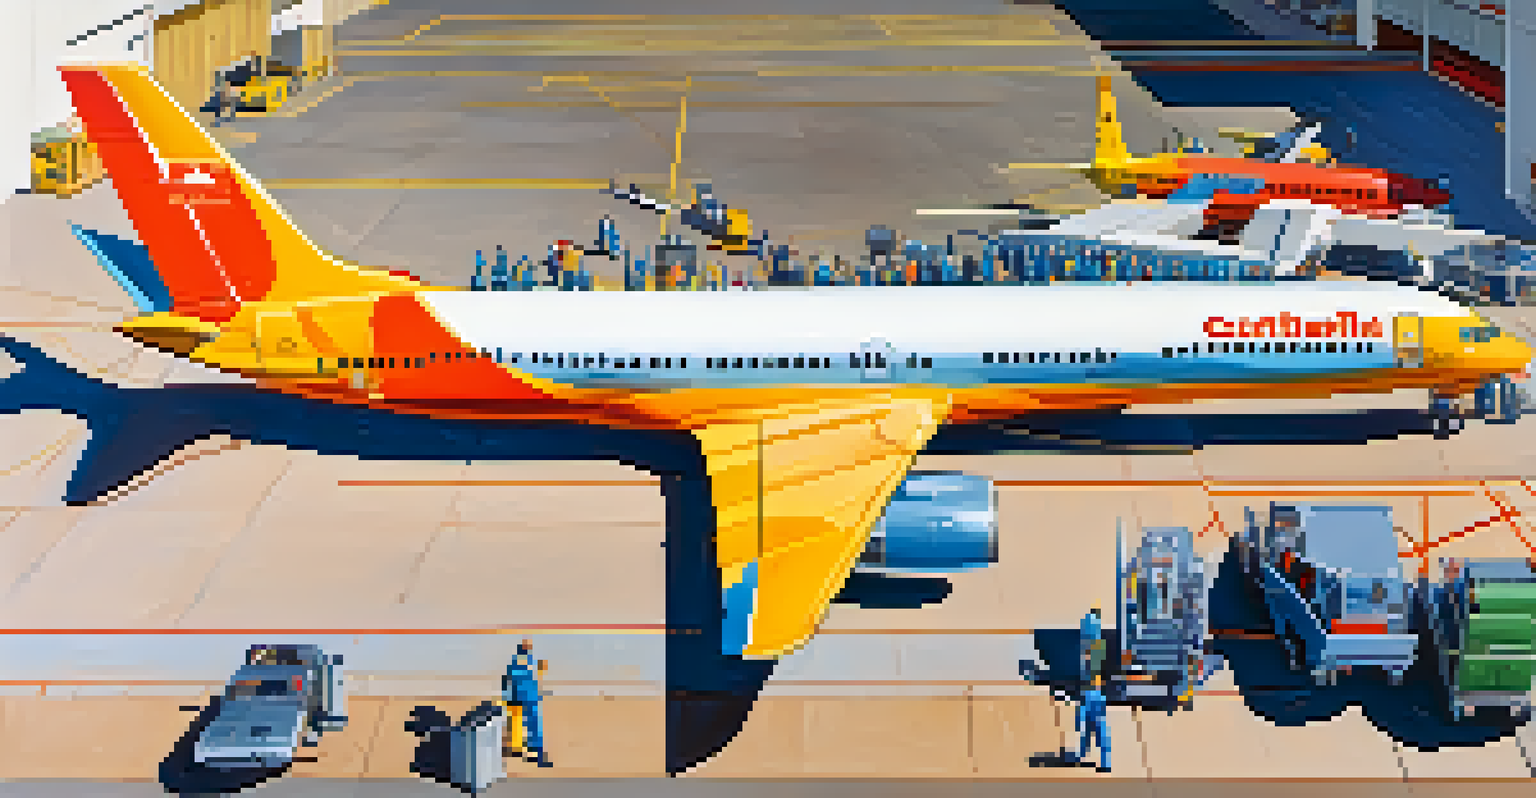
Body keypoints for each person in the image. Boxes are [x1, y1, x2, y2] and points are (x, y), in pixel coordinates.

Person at [502, 639, 552, 767]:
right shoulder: (525, 663)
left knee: (526, 727)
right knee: (533, 728)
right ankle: (536, 755)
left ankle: (531, 753)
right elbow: (523, 680)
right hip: (526, 698)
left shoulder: (519, 663)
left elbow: (510, 681)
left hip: (522, 698)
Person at [1078, 674, 1111, 772]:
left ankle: (1083, 755)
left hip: (1092, 720)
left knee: (1087, 739)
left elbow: (1083, 709)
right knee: (1102, 743)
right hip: (1098, 720)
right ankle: (1104, 764)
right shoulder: (1100, 696)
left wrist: (1081, 721)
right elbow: (1102, 710)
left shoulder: (1089, 695)